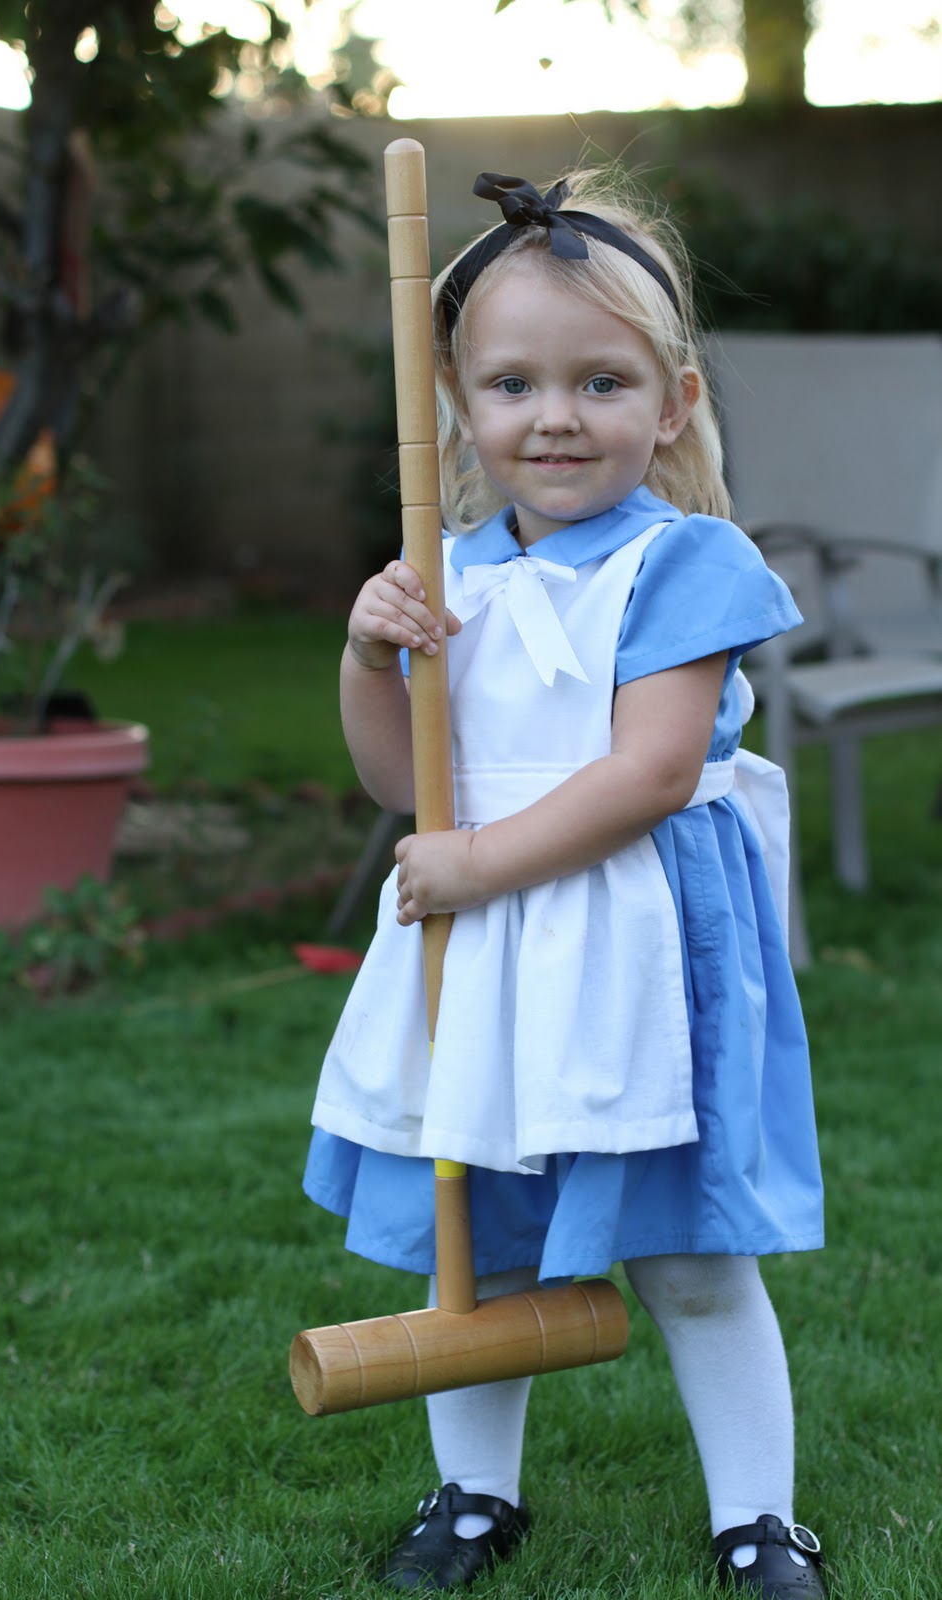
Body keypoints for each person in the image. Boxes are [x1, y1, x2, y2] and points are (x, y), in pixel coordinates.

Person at [302, 167, 826, 1598]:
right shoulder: (448, 569)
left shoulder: (687, 562)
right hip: (491, 959)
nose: (555, 415)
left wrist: (471, 862)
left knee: (690, 1254)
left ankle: (759, 1520)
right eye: (516, 382)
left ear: (672, 402)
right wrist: (369, 657)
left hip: (637, 945)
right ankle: (474, 1495)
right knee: (479, 1253)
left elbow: (649, 772)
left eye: (602, 382)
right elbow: (402, 785)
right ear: (461, 406)